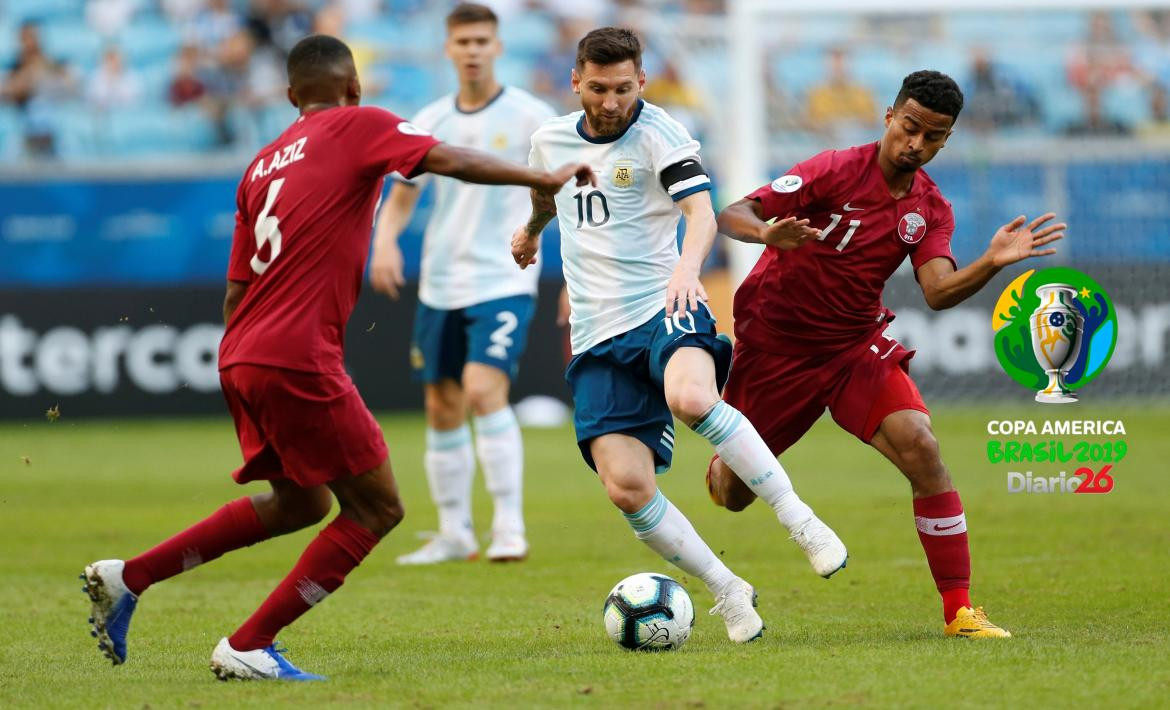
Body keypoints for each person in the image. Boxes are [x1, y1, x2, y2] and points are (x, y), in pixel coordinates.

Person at [82, 34, 593, 681]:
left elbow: (236, 290)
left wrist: (246, 359)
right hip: (297, 355)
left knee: (301, 504)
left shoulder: (261, 163)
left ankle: (130, 576)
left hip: (240, 353)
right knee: (377, 509)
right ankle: (250, 643)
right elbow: (444, 159)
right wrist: (537, 176)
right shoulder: (358, 125)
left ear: (292, 97)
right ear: (353, 90)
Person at [511, 27, 847, 644]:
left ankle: (801, 521)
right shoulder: (549, 139)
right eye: (598, 88)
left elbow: (700, 212)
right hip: (595, 335)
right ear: (576, 82)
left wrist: (688, 269)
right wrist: (532, 231)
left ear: (641, 81)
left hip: (665, 302)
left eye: (623, 88)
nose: (611, 101)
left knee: (692, 398)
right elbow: (545, 192)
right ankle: (727, 589)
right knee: (626, 486)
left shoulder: (661, 134)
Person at [709, 70, 1067, 639]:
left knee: (922, 448)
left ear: (946, 140)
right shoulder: (832, 169)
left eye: (934, 136)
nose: (917, 144)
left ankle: (959, 612)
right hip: (776, 349)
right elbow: (731, 213)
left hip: (855, 346)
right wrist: (766, 235)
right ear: (889, 117)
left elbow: (939, 290)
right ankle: (723, 459)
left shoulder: (930, 208)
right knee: (731, 495)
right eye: (910, 127)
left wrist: (992, 262)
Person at [369, 3, 555, 566]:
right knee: (441, 403)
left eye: (482, 41)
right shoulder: (429, 121)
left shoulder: (531, 117)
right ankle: (454, 531)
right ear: (447, 49)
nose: (473, 50)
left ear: (498, 46)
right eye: (463, 42)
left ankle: (509, 526)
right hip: (441, 283)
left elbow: (560, 193)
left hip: (504, 274)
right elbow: (402, 194)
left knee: (482, 389)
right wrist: (383, 243)